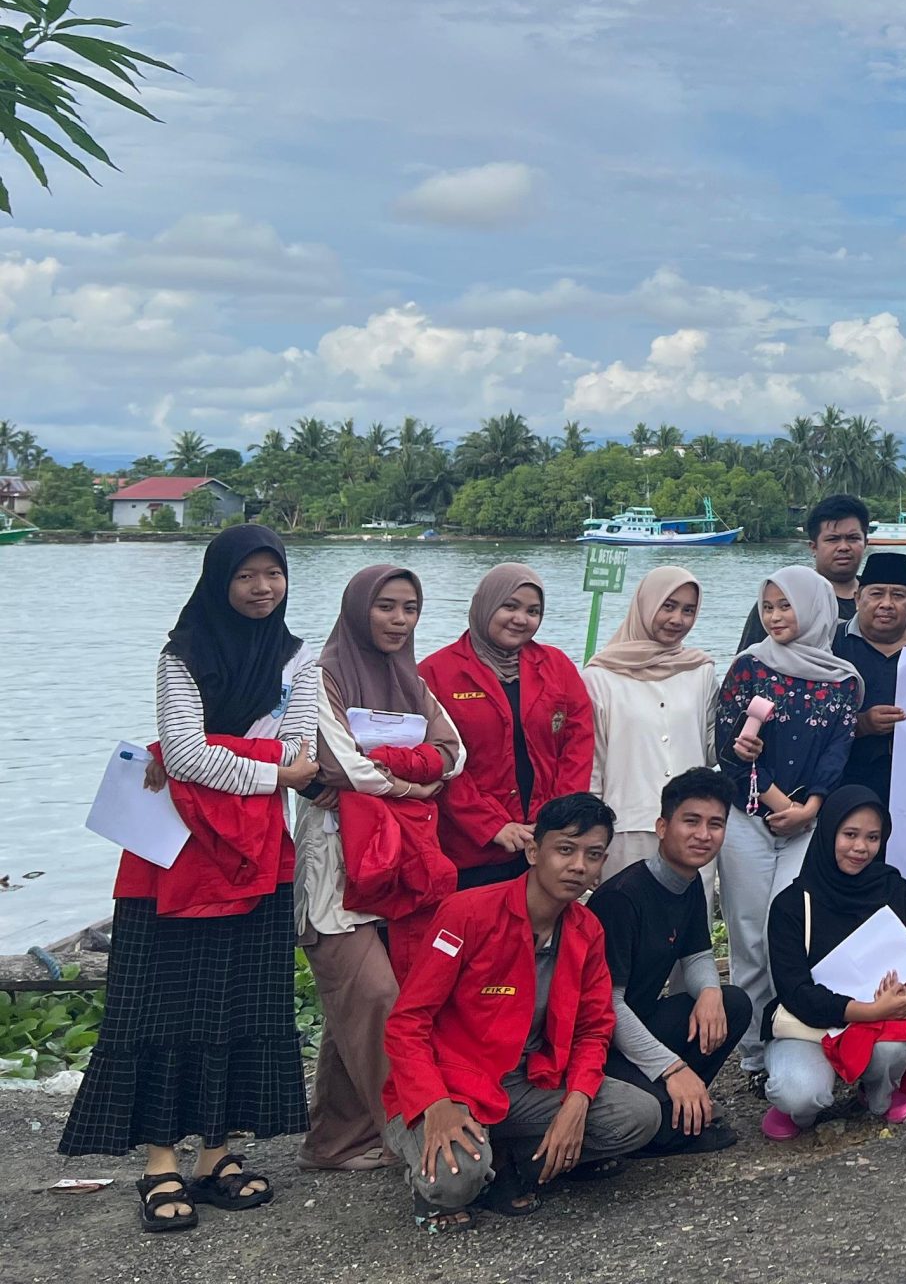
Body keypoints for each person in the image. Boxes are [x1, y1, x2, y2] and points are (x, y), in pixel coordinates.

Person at [61, 526, 320, 1233]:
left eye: (274, 573)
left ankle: (215, 1155)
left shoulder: (301, 659)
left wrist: (211, 755)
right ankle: (158, 1164)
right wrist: (262, 769)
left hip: (258, 860)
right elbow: (188, 752)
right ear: (218, 580)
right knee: (162, 1012)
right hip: (171, 854)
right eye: (247, 575)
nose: (263, 587)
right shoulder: (183, 655)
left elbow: (299, 749)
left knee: (242, 1004)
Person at [380, 793, 660, 1230]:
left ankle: (512, 1158)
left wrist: (577, 1101)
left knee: (639, 1117)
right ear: (534, 851)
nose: (578, 866)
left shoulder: (586, 930)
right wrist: (435, 1104)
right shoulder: (467, 914)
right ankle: (464, 1163)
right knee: (454, 1183)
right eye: (565, 850)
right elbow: (407, 1023)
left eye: (592, 855)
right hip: (451, 1084)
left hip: (530, 1083)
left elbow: (593, 1029)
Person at [298, 565, 464, 1174]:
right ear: (358, 609)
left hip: (399, 862)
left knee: (368, 1000)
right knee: (373, 995)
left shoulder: (411, 679)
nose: (399, 620)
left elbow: (456, 756)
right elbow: (343, 763)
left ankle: (335, 1142)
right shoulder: (321, 677)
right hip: (333, 865)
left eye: (411, 608)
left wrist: (390, 774)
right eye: (387, 607)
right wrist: (410, 782)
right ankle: (418, 1138)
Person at [713, 566, 866, 1076]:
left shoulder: (844, 679)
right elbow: (730, 754)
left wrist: (812, 809)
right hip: (748, 821)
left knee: (795, 930)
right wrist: (783, 805)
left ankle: (793, 1040)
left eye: (787, 605)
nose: (776, 616)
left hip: (808, 823)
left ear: (816, 607)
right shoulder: (748, 667)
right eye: (769, 606)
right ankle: (754, 1057)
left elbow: (837, 751)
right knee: (749, 935)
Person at [762, 787, 906, 1136]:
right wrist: (868, 1010)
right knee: (799, 1094)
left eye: (873, 837)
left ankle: (879, 1092)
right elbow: (795, 992)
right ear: (828, 834)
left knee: (894, 1046)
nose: (861, 848)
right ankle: (799, 1111)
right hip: (811, 1026)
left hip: (877, 1023)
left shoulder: (890, 887)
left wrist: (901, 996)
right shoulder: (792, 904)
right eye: (850, 834)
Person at [592, 768, 750, 1156]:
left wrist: (710, 993)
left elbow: (696, 953)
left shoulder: (690, 880)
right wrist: (672, 1069)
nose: (703, 834)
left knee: (732, 1003)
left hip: (642, 1023)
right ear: (662, 827)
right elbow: (607, 1005)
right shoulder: (623, 897)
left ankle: (677, 1117)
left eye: (716, 824)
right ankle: (671, 1119)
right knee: (649, 1114)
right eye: (691, 821)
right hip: (599, 1044)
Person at [422, 564, 596, 892]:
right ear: (485, 604)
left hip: (542, 842)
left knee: (535, 936)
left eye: (533, 611)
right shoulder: (435, 673)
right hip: (469, 849)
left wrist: (556, 817)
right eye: (510, 606)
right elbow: (439, 765)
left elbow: (578, 742)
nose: (521, 619)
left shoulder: (556, 665)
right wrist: (493, 825)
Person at [584, 566, 719, 879]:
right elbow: (593, 764)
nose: (677, 620)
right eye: (668, 607)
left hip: (693, 827)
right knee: (626, 921)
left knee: (688, 922)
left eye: (688, 610)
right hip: (626, 827)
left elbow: (711, 749)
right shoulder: (600, 676)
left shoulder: (700, 671)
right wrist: (591, 834)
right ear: (645, 605)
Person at [837, 551, 906, 799]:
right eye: (876, 594)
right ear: (857, 598)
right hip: (842, 781)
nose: (886, 603)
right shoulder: (830, 645)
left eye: (898, 595)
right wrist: (861, 724)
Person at [739, 494, 869, 649]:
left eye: (853, 538)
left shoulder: (878, 598)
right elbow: (747, 662)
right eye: (832, 539)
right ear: (813, 547)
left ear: (865, 543)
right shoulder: (782, 598)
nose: (843, 547)